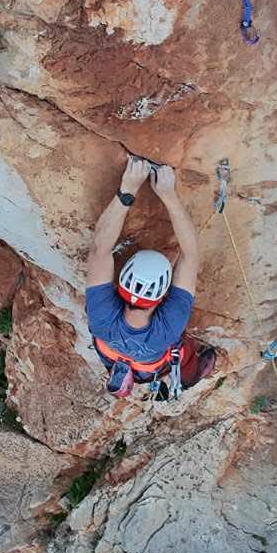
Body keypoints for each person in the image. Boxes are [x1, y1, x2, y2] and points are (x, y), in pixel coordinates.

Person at [85, 156, 217, 399]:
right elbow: (99, 250)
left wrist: (165, 194)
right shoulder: (100, 318)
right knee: (182, 364)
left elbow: (190, 257)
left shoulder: (166, 329)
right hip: (136, 359)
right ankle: (190, 375)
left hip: (145, 361)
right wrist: (132, 188)